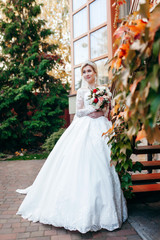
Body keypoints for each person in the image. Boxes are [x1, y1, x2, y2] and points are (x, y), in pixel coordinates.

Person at [16, 60, 128, 233]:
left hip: (101, 127)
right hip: (85, 126)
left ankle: (106, 210)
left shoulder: (104, 90)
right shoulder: (82, 91)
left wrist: (101, 110)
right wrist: (92, 111)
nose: (87, 74)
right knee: (83, 163)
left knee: (104, 164)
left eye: (89, 71)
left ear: (95, 72)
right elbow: (79, 111)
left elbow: (107, 111)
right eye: (84, 72)